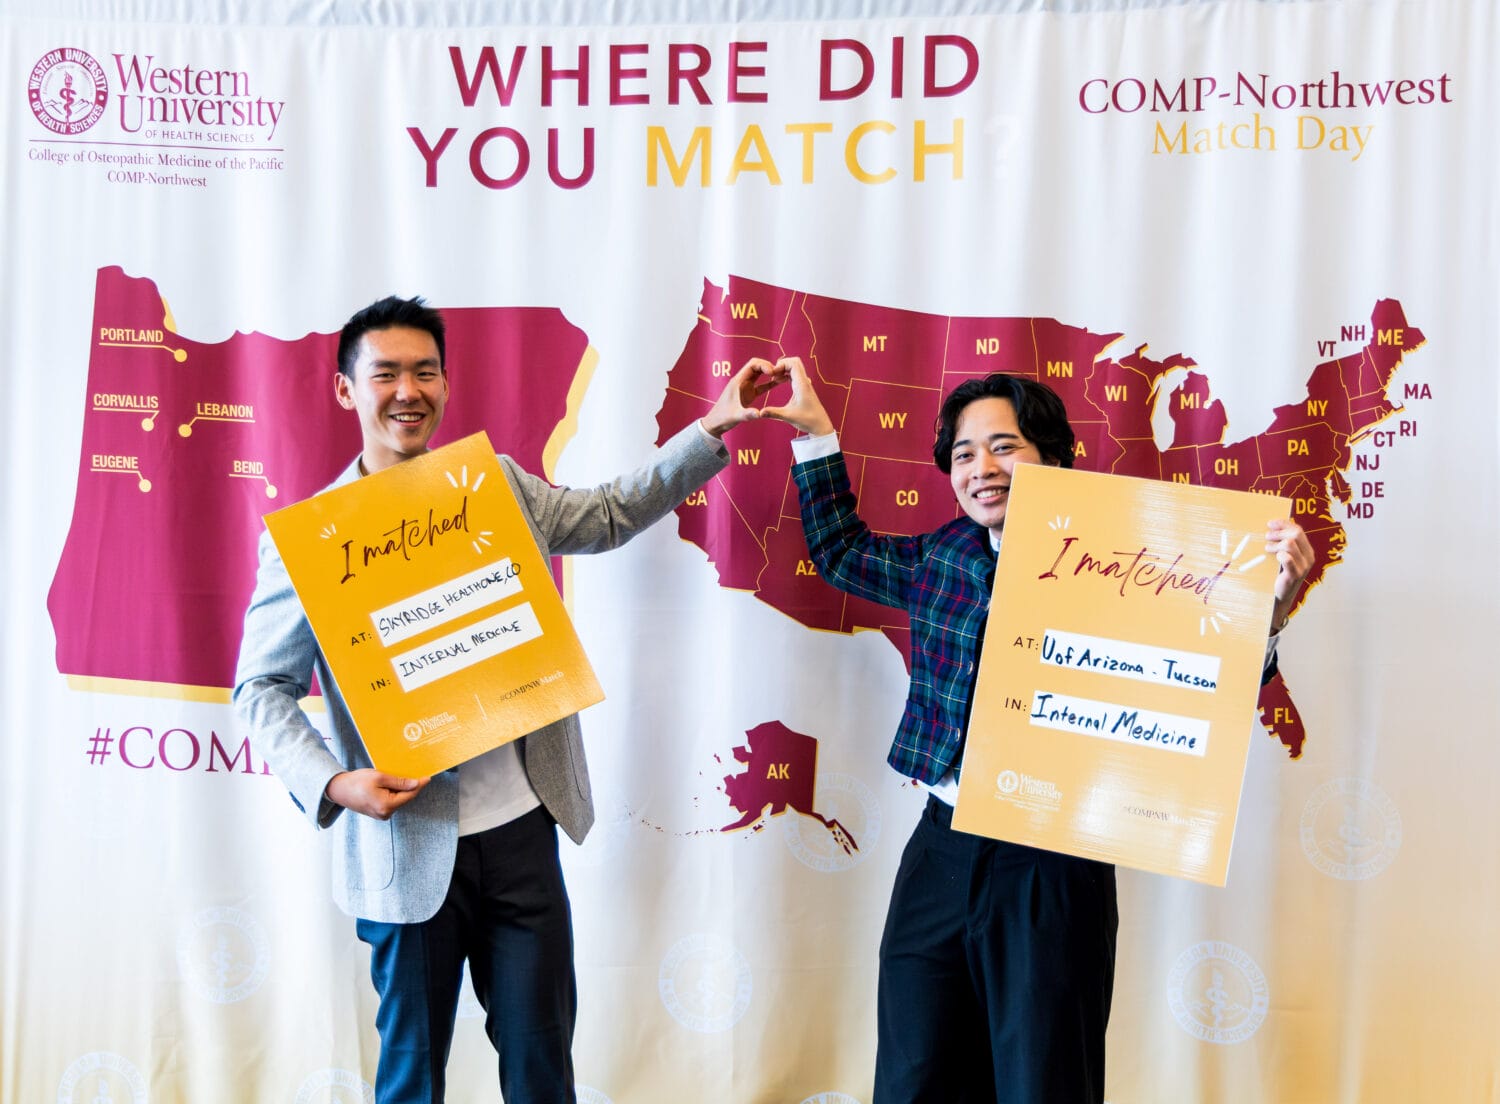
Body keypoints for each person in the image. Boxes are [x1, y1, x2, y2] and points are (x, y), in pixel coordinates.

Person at [233, 295, 781, 1103]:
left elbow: (604, 515)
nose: (407, 390)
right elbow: (261, 689)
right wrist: (333, 784)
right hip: (404, 848)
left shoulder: (488, 488)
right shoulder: (309, 538)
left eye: (425, 371)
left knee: (541, 1068)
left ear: (447, 385)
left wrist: (713, 428)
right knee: (411, 1078)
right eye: (384, 373)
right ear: (347, 390)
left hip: (522, 834)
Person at [759, 359, 1314, 1104]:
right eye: (963, 454)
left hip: (1053, 865)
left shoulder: (1136, 567)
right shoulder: (942, 557)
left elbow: (1205, 681)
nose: (981, 468)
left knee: (1042, 1080)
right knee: (914, 1072)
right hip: (941, 849)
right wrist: (818, 436)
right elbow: (840, 552)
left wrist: (1269, 609)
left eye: (1004, 447)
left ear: (1053, 458)